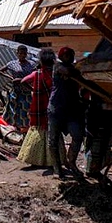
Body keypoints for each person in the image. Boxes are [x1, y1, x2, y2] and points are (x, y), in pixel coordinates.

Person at [17, 48, 62, 167]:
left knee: (38, 131)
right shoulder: (57, 74)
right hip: (54, 107)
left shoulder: (37, 74)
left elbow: (23, 81)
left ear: (41, 61)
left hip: (39, 107)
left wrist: (33, 90)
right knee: (53, 133)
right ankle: (54, 161)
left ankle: (36, 160)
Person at [48, 46, 85, 177]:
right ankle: (57, 168)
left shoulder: (75, 70)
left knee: (78, 136)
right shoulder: (58, 67)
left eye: (70, 55)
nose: (69, 58)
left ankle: (71, 162)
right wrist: (79, 68)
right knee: (53, 140)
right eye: (67, 55)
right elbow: (69, 72)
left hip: (72, 109)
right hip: (56, 108)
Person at [0, 45, 36, 130]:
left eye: (24, 53)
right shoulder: (12, 64)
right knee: (14, 109)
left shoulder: (31, 64)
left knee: (25, 110)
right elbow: (0, 71)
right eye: (21, 53)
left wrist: (25, 80)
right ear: (17, 53)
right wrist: (10, 77)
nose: (22, 55)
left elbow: (35, 75)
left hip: (26, 91)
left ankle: (24, 127)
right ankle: (14, 127)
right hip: (15, 91)